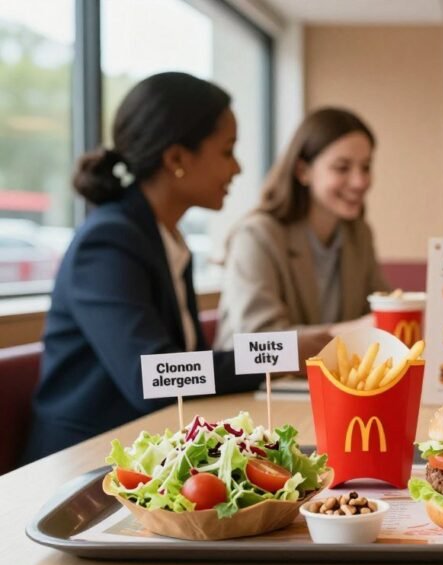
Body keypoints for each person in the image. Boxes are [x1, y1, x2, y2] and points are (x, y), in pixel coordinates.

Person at [22, 72, 261, 462]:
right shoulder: (108, 241)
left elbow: (187, 368)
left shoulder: (166, 239)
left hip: (149, 452)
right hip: (84, 466)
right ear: (177, 159)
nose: (237, 168)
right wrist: (282, 354)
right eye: (227, 150)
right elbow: (155, 377)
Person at [215, 108, 388, 351]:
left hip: (325, 383)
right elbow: (257, 340)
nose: (360, 181)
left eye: (366, 167)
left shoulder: (358, 234)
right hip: (256, 385)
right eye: (342, 168)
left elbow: (380, 310)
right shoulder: (257, 235)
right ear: (303, 171)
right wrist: (344, 333)